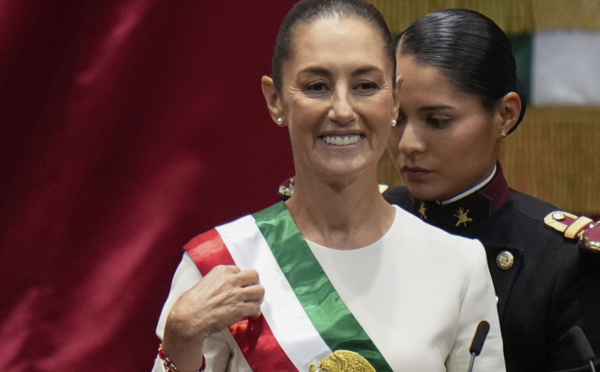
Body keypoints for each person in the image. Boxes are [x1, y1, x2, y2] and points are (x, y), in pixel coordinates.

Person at [153, 2, 505, 371]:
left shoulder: (459, 265)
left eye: (365, 86)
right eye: (317, 86)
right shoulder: (221, 262)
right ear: (276, 100)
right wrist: (179, 341)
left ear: (395, 100)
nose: (342, 110)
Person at [384, 8, 600, 372]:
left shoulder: (562, 264)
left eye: (438, 121)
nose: (408, 144)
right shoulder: (366, 221)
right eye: (397, 118)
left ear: (506, 114)